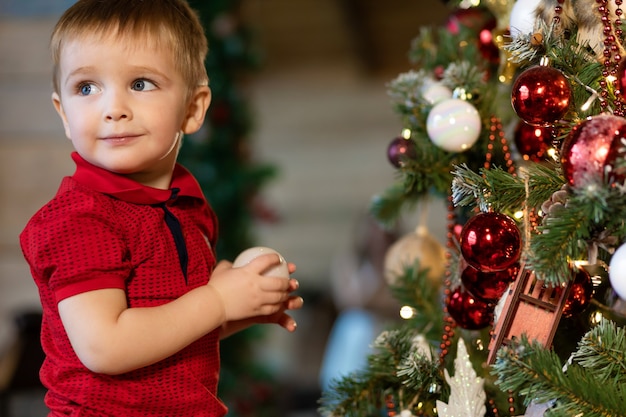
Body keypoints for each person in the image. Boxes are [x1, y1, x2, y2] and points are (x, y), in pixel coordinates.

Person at [19, 1, 303, 416]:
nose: (113, 109)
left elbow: (167, 331)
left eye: (140, 84)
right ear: (64, 113)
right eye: (86, 88)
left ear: (192, 108)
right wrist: (216, 301)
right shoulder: (80, 220)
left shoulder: (185, 209)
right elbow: (107, 346)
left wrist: (241, 307)